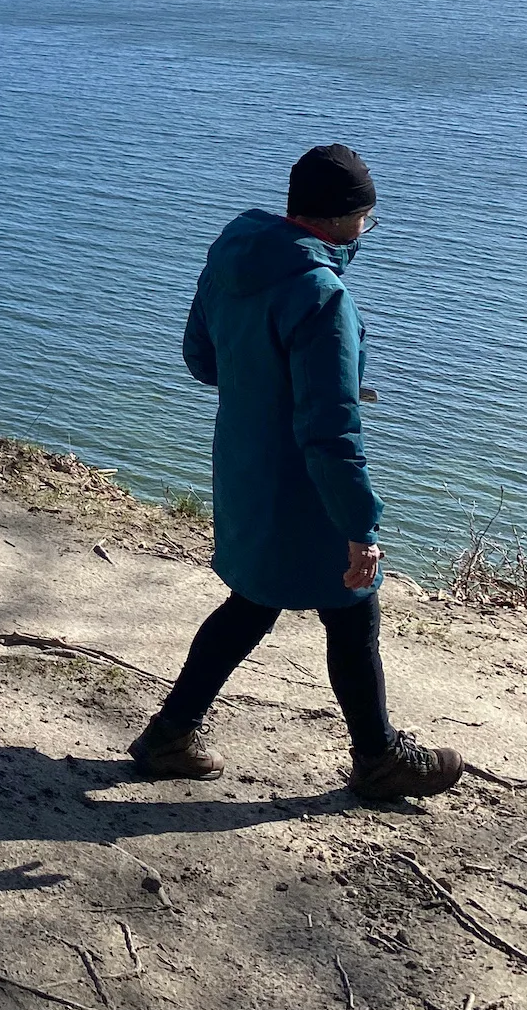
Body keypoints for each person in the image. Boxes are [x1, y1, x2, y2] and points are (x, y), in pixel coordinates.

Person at [131, 143, 462, 804]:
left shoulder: (232, 258)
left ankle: (170, 734)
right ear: (344, 220)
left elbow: (201, 359)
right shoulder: (322, 296)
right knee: (353, 605)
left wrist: (263, 385)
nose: (367, 230)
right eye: (368, 217)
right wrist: (361, 527)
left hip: (244, 462)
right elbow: (330, 432)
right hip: (305, 486)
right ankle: (379, 758)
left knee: (254, 600)